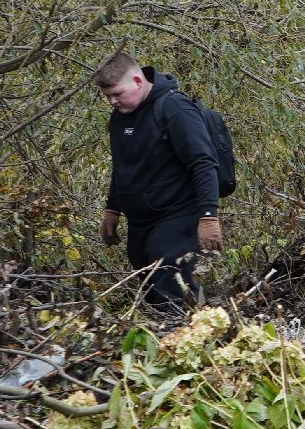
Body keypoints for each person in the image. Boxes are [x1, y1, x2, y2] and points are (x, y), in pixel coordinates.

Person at [93, 52, 222, 311]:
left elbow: (203, 163)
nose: (112, 101)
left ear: (138, 81)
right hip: (140, 221)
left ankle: (188, 341)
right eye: (107, 96)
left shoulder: (175, 109)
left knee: (171, 287)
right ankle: (167, 340)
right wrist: (112, 209)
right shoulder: (120, 116)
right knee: (150, 290)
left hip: (178, 214)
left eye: (117, 93)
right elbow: (123, 166)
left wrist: (208, 216)